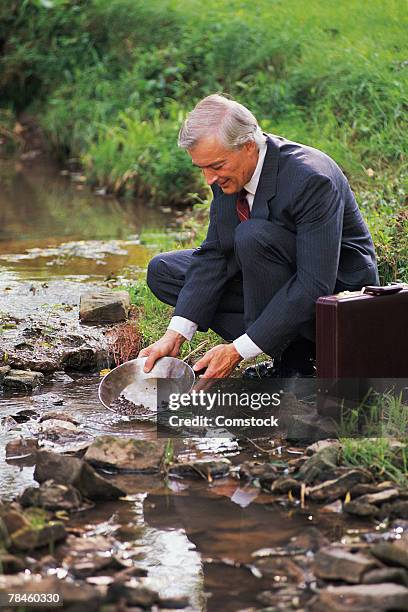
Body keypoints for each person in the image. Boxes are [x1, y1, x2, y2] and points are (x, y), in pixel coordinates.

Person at [139, 94, 379, 379]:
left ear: (249, 145)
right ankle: (282, 346)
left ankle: (298, 359)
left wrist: (237, 350)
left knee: (252, 236)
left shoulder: (311, 179)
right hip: (271, 269)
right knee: (164, 271)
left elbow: (315, 283)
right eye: (201, 168)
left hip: (336, 298)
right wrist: (175, 334)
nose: (209, 179)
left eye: (215, 166)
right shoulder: (229, 172)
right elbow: (217, 252)